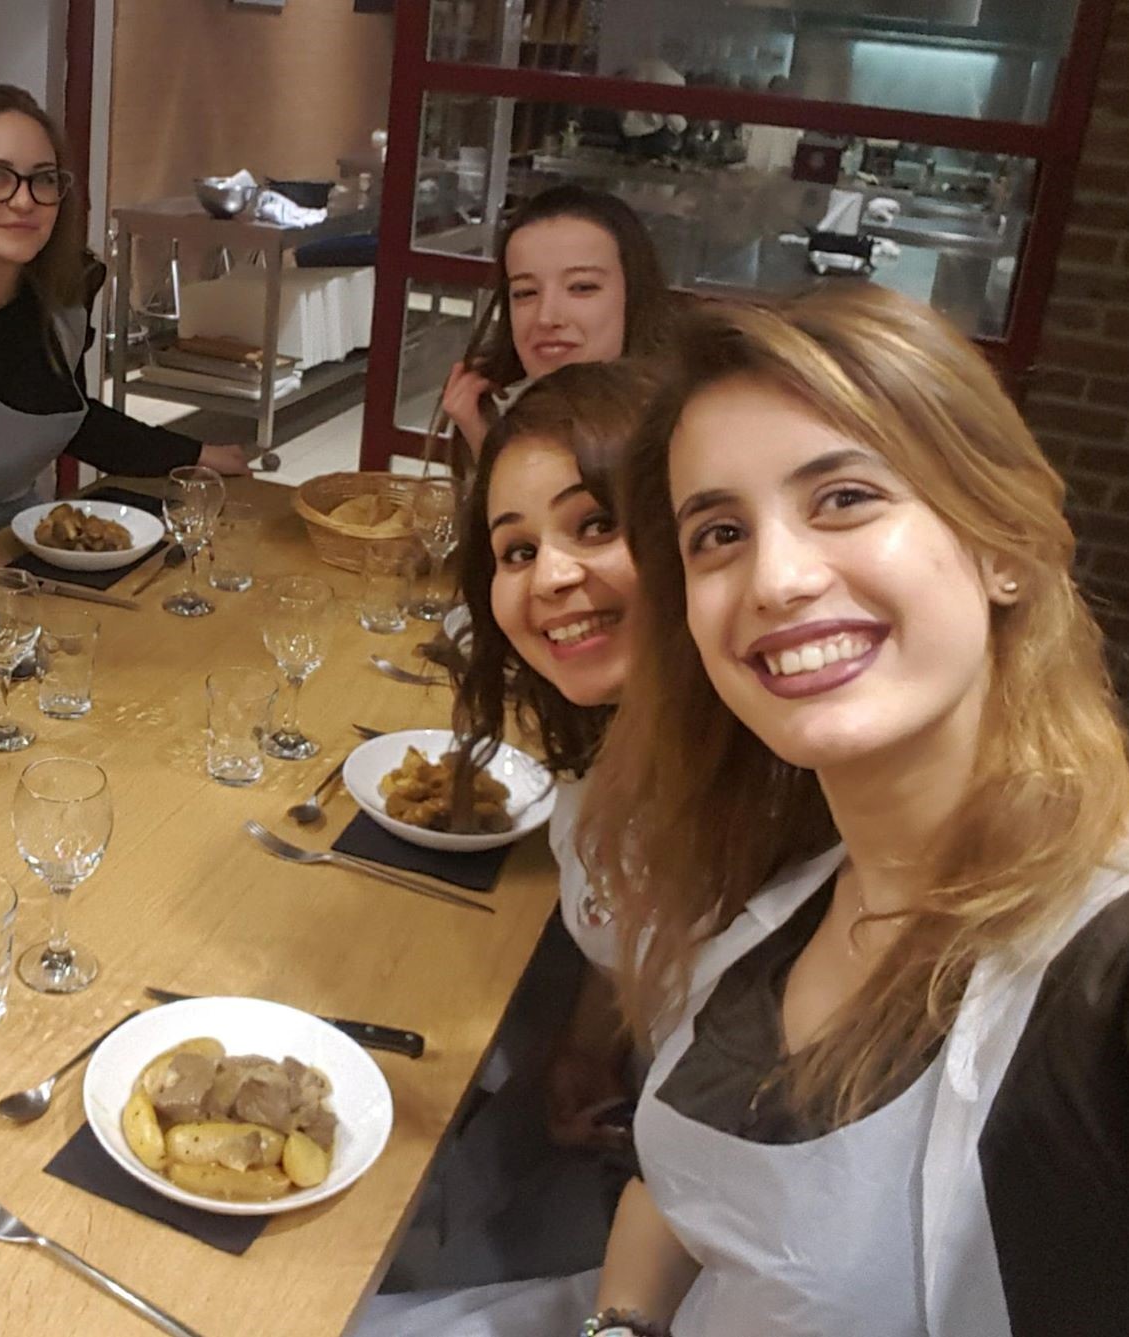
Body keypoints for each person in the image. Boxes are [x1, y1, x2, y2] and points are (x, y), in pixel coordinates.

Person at [577, 284, 1129, 1336]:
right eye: (719, 533)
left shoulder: (1099, 977)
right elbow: (677, 1191)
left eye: (843, 498)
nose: (776, 579)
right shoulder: (785, 874)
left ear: (1004, 544)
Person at [364, 362, 658, 1329]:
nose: (554, 575)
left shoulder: (782, 800)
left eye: (596, 525)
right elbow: (624, 924)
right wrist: (588, 1042)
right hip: (632, 1134)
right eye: (518, 549)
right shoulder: (622, 737)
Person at [0, 83, 247, 585]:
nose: (24, 200)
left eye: (44, 179)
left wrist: (195, 456)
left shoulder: (64, 300)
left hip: (21, 555)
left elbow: (71, 415)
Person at [439, 185, 675, 461]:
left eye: (582, 287)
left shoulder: (680, 431)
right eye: (525, 292)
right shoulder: (509, 417)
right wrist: (484, 444)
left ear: (635, 293)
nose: (546, 318)